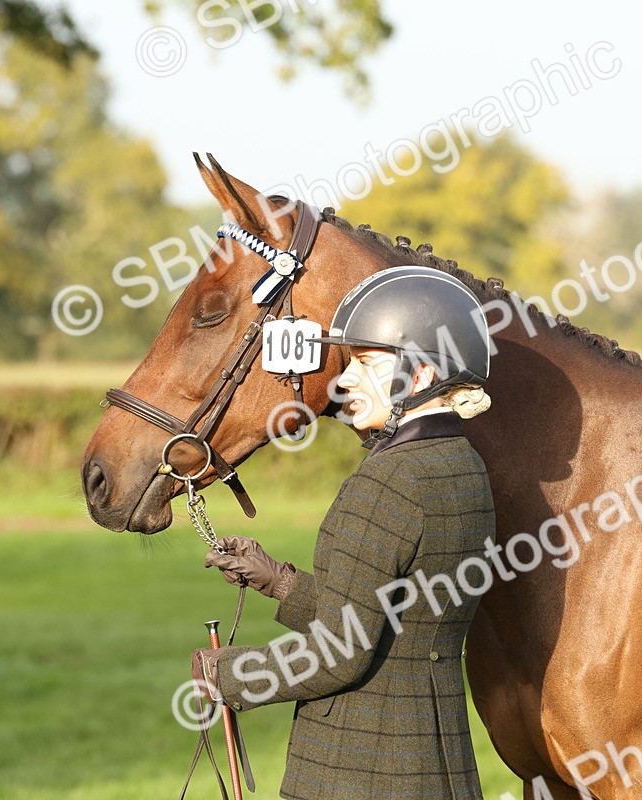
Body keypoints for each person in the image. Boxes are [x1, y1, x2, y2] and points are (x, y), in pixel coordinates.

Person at [192, 265, 496, 800]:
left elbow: (341, 651)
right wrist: (279, 582)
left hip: (356, 774)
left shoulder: (386, 482)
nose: (345, 379)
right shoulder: (463, 465)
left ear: (422, 375)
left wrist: (232, 674)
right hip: (435, 768)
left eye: (367, 362)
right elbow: (390, 620)